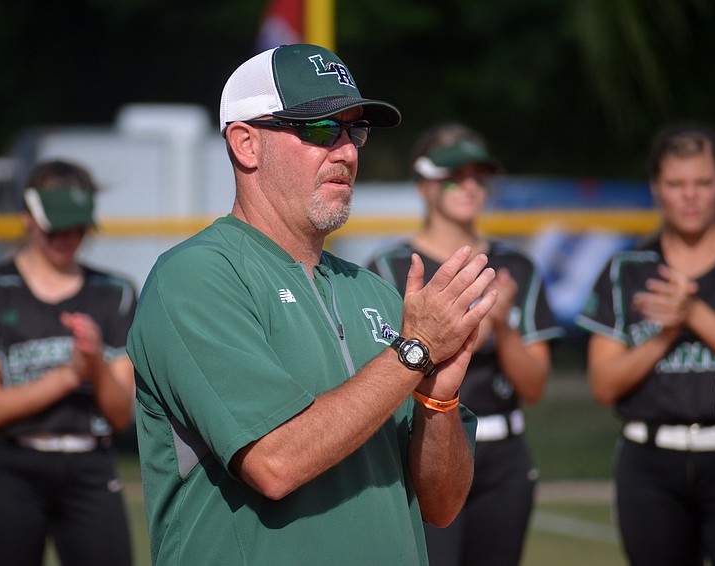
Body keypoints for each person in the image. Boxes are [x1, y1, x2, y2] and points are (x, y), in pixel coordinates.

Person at [128, 43, 499, 565]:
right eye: (322, 129)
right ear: (246, 144)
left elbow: (441, 506)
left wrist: (439, 399)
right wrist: (414, 351)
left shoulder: (374, 291)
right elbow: (275, 461)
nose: (347, 152)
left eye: (356, 131)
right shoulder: (195, 277)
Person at [366, 123, 563, 566]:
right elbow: (379, 372)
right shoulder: (391, 267)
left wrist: (505, 325)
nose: (470, 186)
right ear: (423, 185)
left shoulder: (514, 266)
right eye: (454, 175)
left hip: (503, 453)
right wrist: (476, 326)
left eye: (479, 175)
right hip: (425, 449)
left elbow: (533, 386)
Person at [0, 160, 136, 566]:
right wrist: (71, 374)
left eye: (78, 227)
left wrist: (95, 365)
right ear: (27, 218)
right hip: (11, 466)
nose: (68, 238)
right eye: (56, 226)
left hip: (89, 464)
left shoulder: (115, 292)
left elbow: (120, 415)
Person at [576, 124, 715, 565]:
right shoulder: (627, 270)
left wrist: (694, 313)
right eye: (676, 184)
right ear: (656, 189)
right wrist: (667, 334)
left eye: (703, 183)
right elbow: (603, 385)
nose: (690, 196)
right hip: (650, 462)